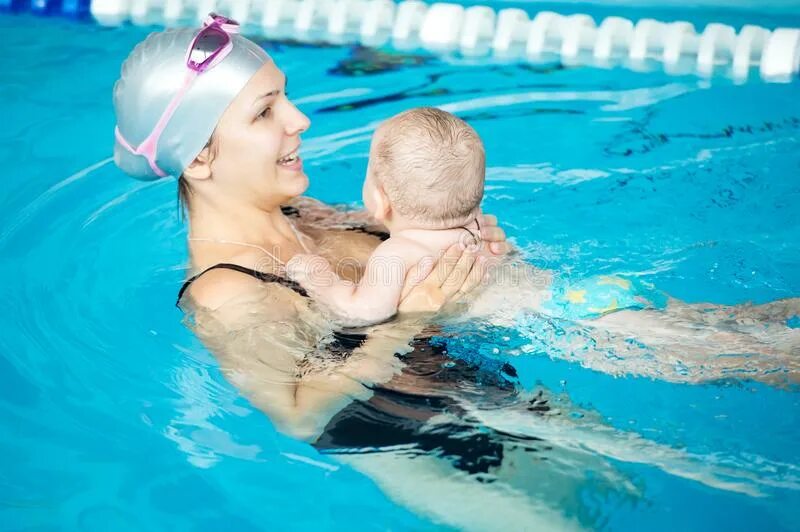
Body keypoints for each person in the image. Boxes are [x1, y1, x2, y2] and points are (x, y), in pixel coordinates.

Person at [112, 14, 796, 529]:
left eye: (285, 96)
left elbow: (432, 253)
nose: (300, 119)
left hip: (487, 386)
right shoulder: (228, 290)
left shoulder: (313, 215)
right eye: (266, 112)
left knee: (655, 477)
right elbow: (294, 415)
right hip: (427, 446)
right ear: (199, 158)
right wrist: (407, 320)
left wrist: (472, 238)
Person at [286, 106, 490, 326]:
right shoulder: (479, 230)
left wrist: (320, 280)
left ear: (381, 200)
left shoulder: (395, 254)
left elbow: (362, 313)